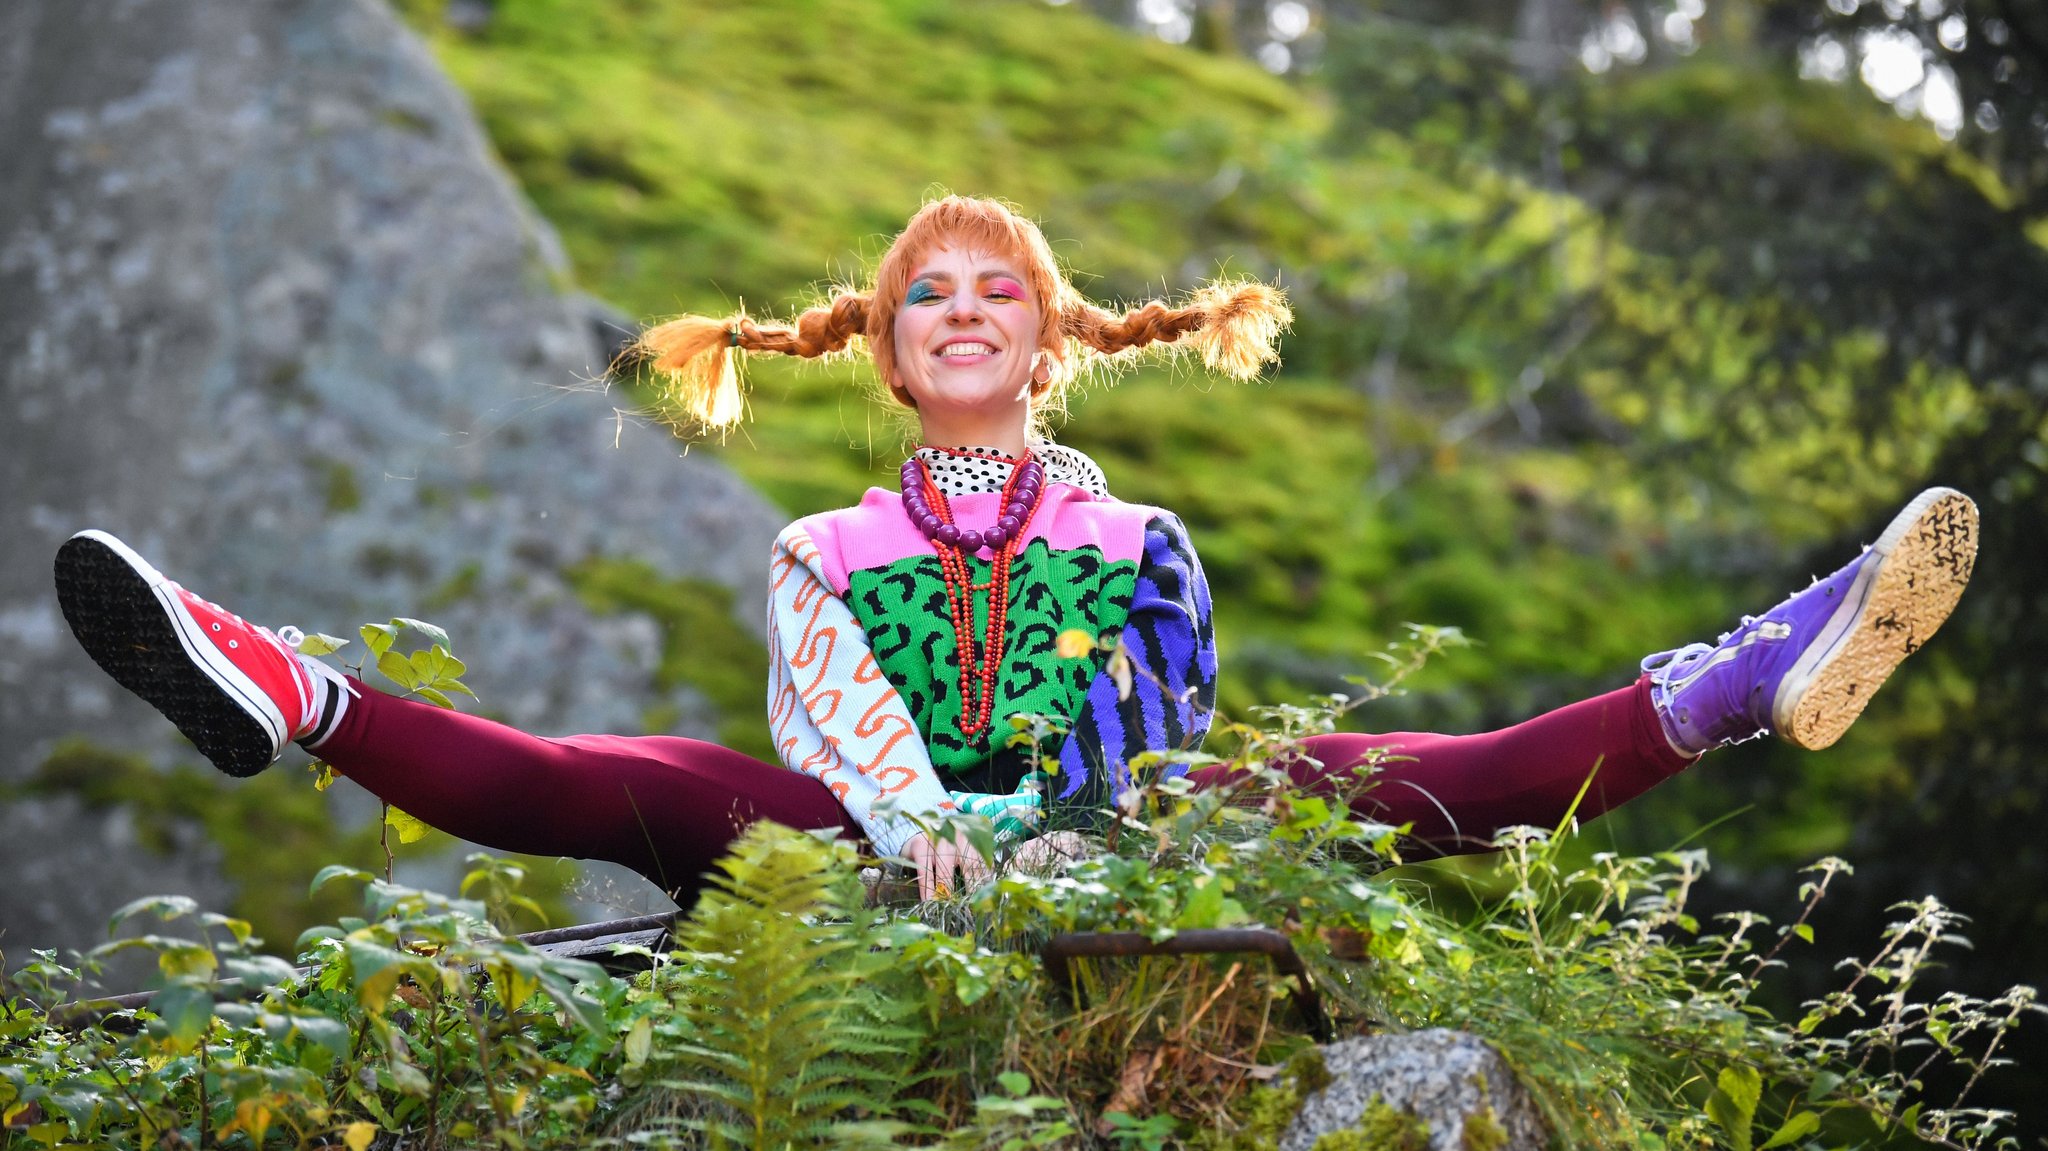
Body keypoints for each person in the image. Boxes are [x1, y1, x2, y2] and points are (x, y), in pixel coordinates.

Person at [53, 196, 1979, 904]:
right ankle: (284, 682)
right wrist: (930, 841)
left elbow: (1161, 712)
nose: (963, 312)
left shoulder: (1141, 531)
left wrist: (1062, 833)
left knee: (1368, 773)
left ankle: (1753, 671)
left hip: (1120, 836)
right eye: (927, 297)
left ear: (1052, 341)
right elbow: (827, 721)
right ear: (885, 354)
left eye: (1000, 293)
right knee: (648, 785)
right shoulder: (824, 537)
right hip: (882, 861)